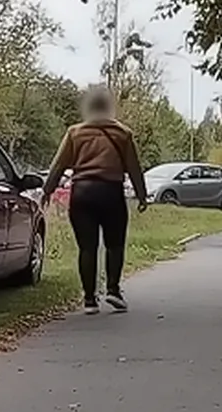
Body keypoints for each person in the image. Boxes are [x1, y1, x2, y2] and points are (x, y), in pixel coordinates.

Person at [41, 87, 150, 313]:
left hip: (82, 193)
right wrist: (141, 194)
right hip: (111, 192)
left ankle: (90, 300)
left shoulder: (75, 133)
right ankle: (112, 290)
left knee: (87, 248)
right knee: (115, 244)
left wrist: (47, 190)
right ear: (110, 108)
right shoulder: (123, 134)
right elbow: (134, 167)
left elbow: (59, 165)